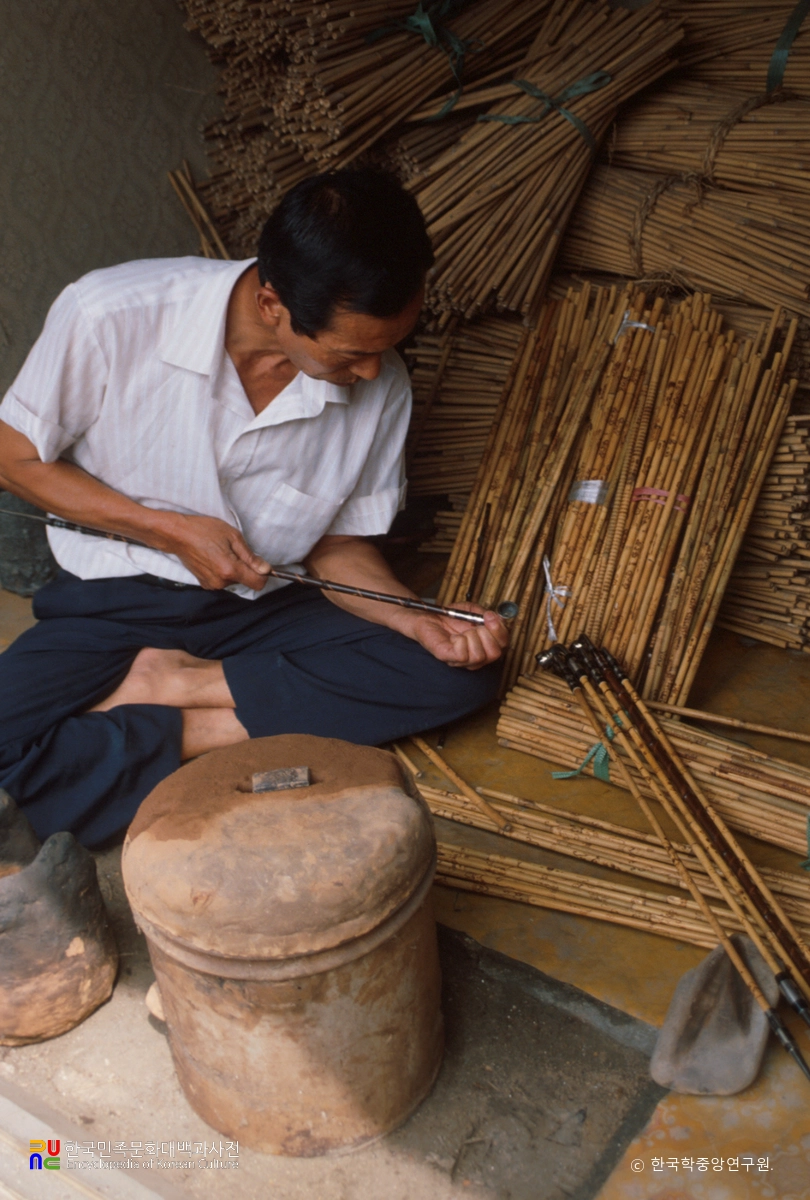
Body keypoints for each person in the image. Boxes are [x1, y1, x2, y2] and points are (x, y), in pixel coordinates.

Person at [0, 168, 508, 846]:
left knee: (459, 674)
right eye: (352, 354)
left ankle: (179, 693)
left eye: (385, 351)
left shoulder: (382, 384)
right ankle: (208, 718)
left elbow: (337, 547)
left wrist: (416, 619)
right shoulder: (112, 315)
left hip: (263, 608)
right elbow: (15, 458)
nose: (370, 375)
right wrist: (166, 529)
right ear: (273, 304)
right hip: (112, 606)